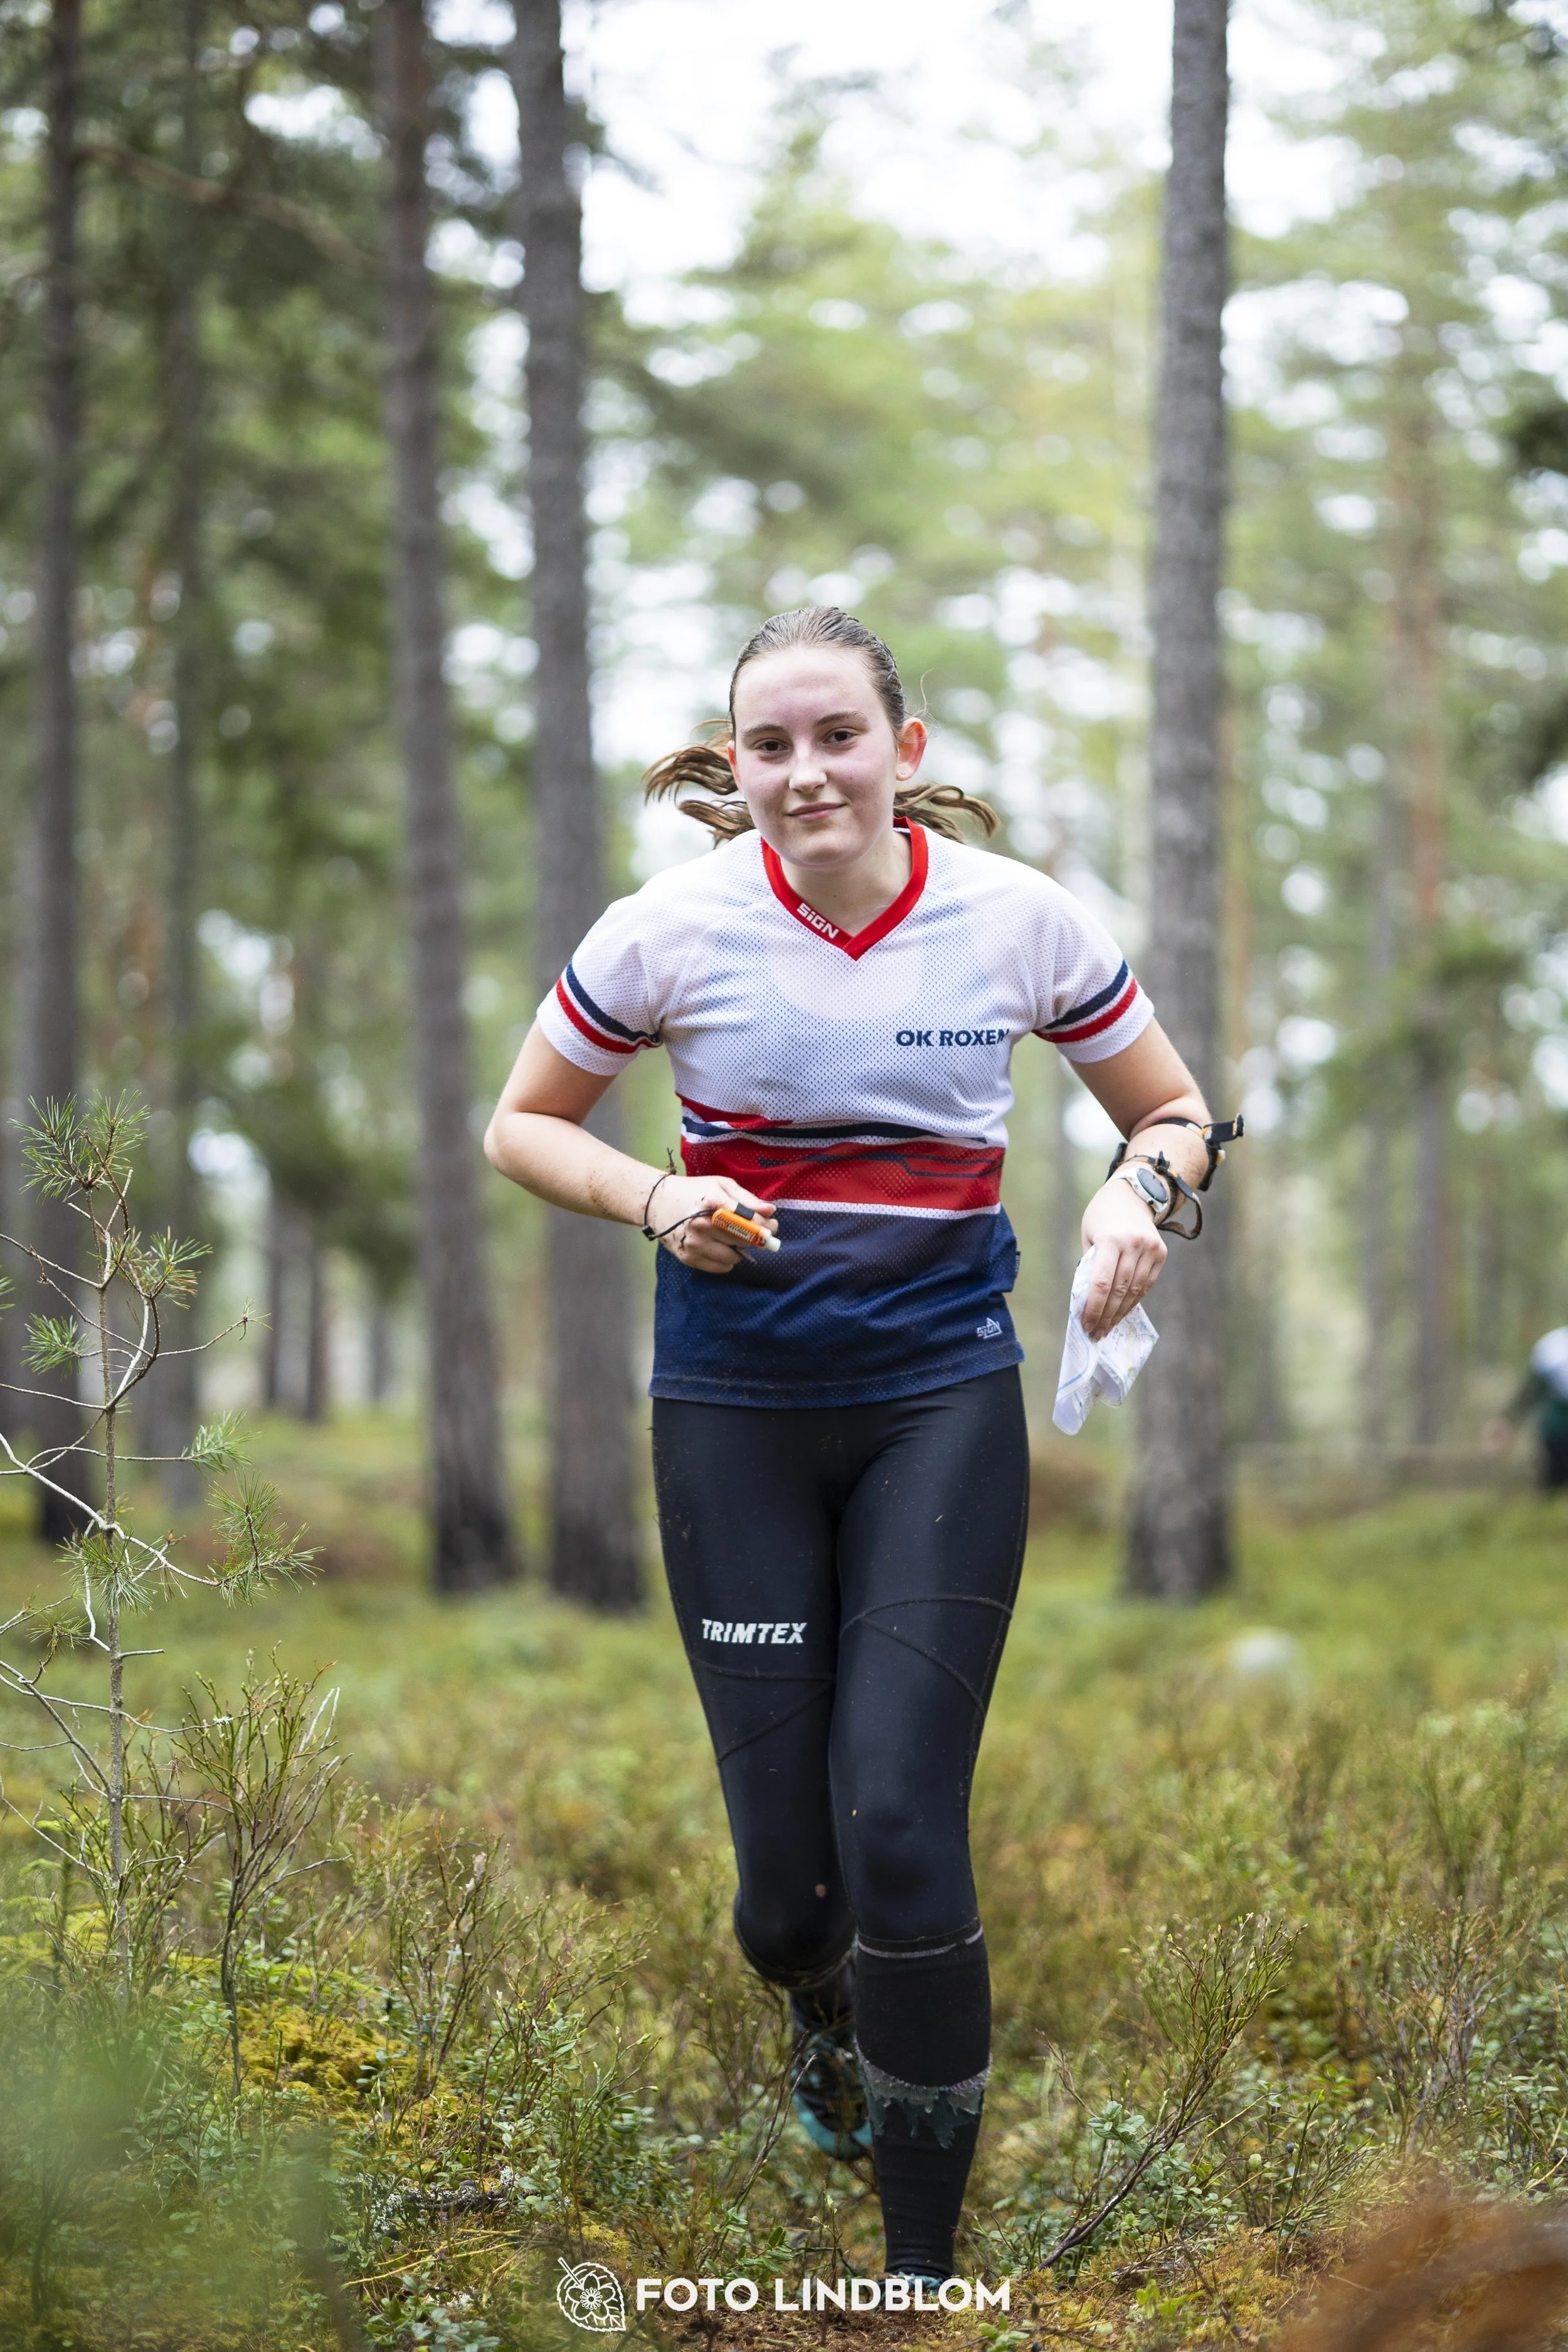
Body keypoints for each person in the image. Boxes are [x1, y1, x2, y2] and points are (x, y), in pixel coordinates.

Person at [484, 605, 1227, 2286]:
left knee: (899, 1819)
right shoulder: (665, 930)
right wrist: (661, 1194)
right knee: (784, 1904)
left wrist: (1140, 1198)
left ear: (903, 750)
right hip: (733, 1414)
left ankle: (915, 2269)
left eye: (836, 735)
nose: (802, 770)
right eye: (767, 744)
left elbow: (1171, 1109)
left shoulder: (1012, 920)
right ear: (732, 766)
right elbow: (519, 1121)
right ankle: (817, 2011)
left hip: (933, 1403)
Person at [1489, 1327, 1568, 1488]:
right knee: (1553, 1487)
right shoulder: (1554, 1347)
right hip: (1558, 1433)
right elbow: (1529, 1392)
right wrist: (1507, 1420)